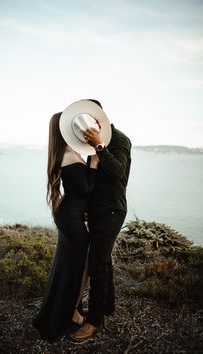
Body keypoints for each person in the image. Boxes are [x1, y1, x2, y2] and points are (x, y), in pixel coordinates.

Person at [32, 112, 98, 343]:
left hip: (68, 216)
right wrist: (95, 163)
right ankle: (68, 313)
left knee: (67, 266)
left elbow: (80, 189)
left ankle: (63, 311)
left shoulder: (64, 153)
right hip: (71, 219)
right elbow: (86, 189)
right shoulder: (69, 155)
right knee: (78, 266)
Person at [70, 99, 132, 342]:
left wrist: (100, 146)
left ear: (99, 119)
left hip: (112, 210)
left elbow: (117, 171)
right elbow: (93, 180)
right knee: (102, 261)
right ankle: (107, 306)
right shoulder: (90, 145)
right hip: (98, 210)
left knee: (97, 263)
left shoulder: (119, 139)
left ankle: (94, 321)